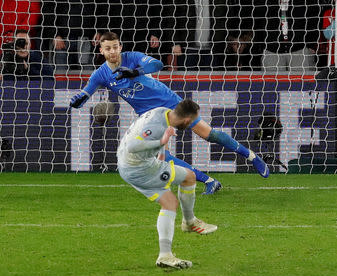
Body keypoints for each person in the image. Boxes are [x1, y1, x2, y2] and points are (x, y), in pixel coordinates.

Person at [69, 32, 269, 193]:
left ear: (120, 47)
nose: (112, 51)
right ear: (101, 50)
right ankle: (209, 181)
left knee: (209, 134)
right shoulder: (100, 74)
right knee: (160, 157)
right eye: (108, 48)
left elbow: (157, 64)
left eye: (115, 47)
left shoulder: (132, 58)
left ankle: (252, 156)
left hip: (169, 102)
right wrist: (77, 101)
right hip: (149, 116)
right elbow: (84, 94)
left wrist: (136, 71)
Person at [117, 99, 217, 269]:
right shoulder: (158, 126)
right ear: (187, 120)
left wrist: (161, 153)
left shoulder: (163, 112)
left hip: (130, 164)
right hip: (139, 167)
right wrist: (161, 142)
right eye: (192, 121)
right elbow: (133, 146)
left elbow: (156, 133)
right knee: (189, 177)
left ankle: (165, 256)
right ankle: (189, 222)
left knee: (169, 202)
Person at [254, 0, 320, 72]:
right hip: (271, 51)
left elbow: (314, 20)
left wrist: (311, 44)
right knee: (272, 82)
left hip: (300, 50)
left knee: (302, 82)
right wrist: (260, 47)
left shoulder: (305, 3)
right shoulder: (264, 3)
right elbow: (257, 23)